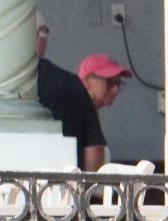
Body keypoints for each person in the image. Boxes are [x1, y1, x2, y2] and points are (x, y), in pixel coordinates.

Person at [32, 16, 116, 171]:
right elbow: (94, 151)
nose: (114, 89)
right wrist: (82, 192)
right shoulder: (70, 84)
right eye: (108, 81)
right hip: (65, 188)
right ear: (87, 80)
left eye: (117, 83)